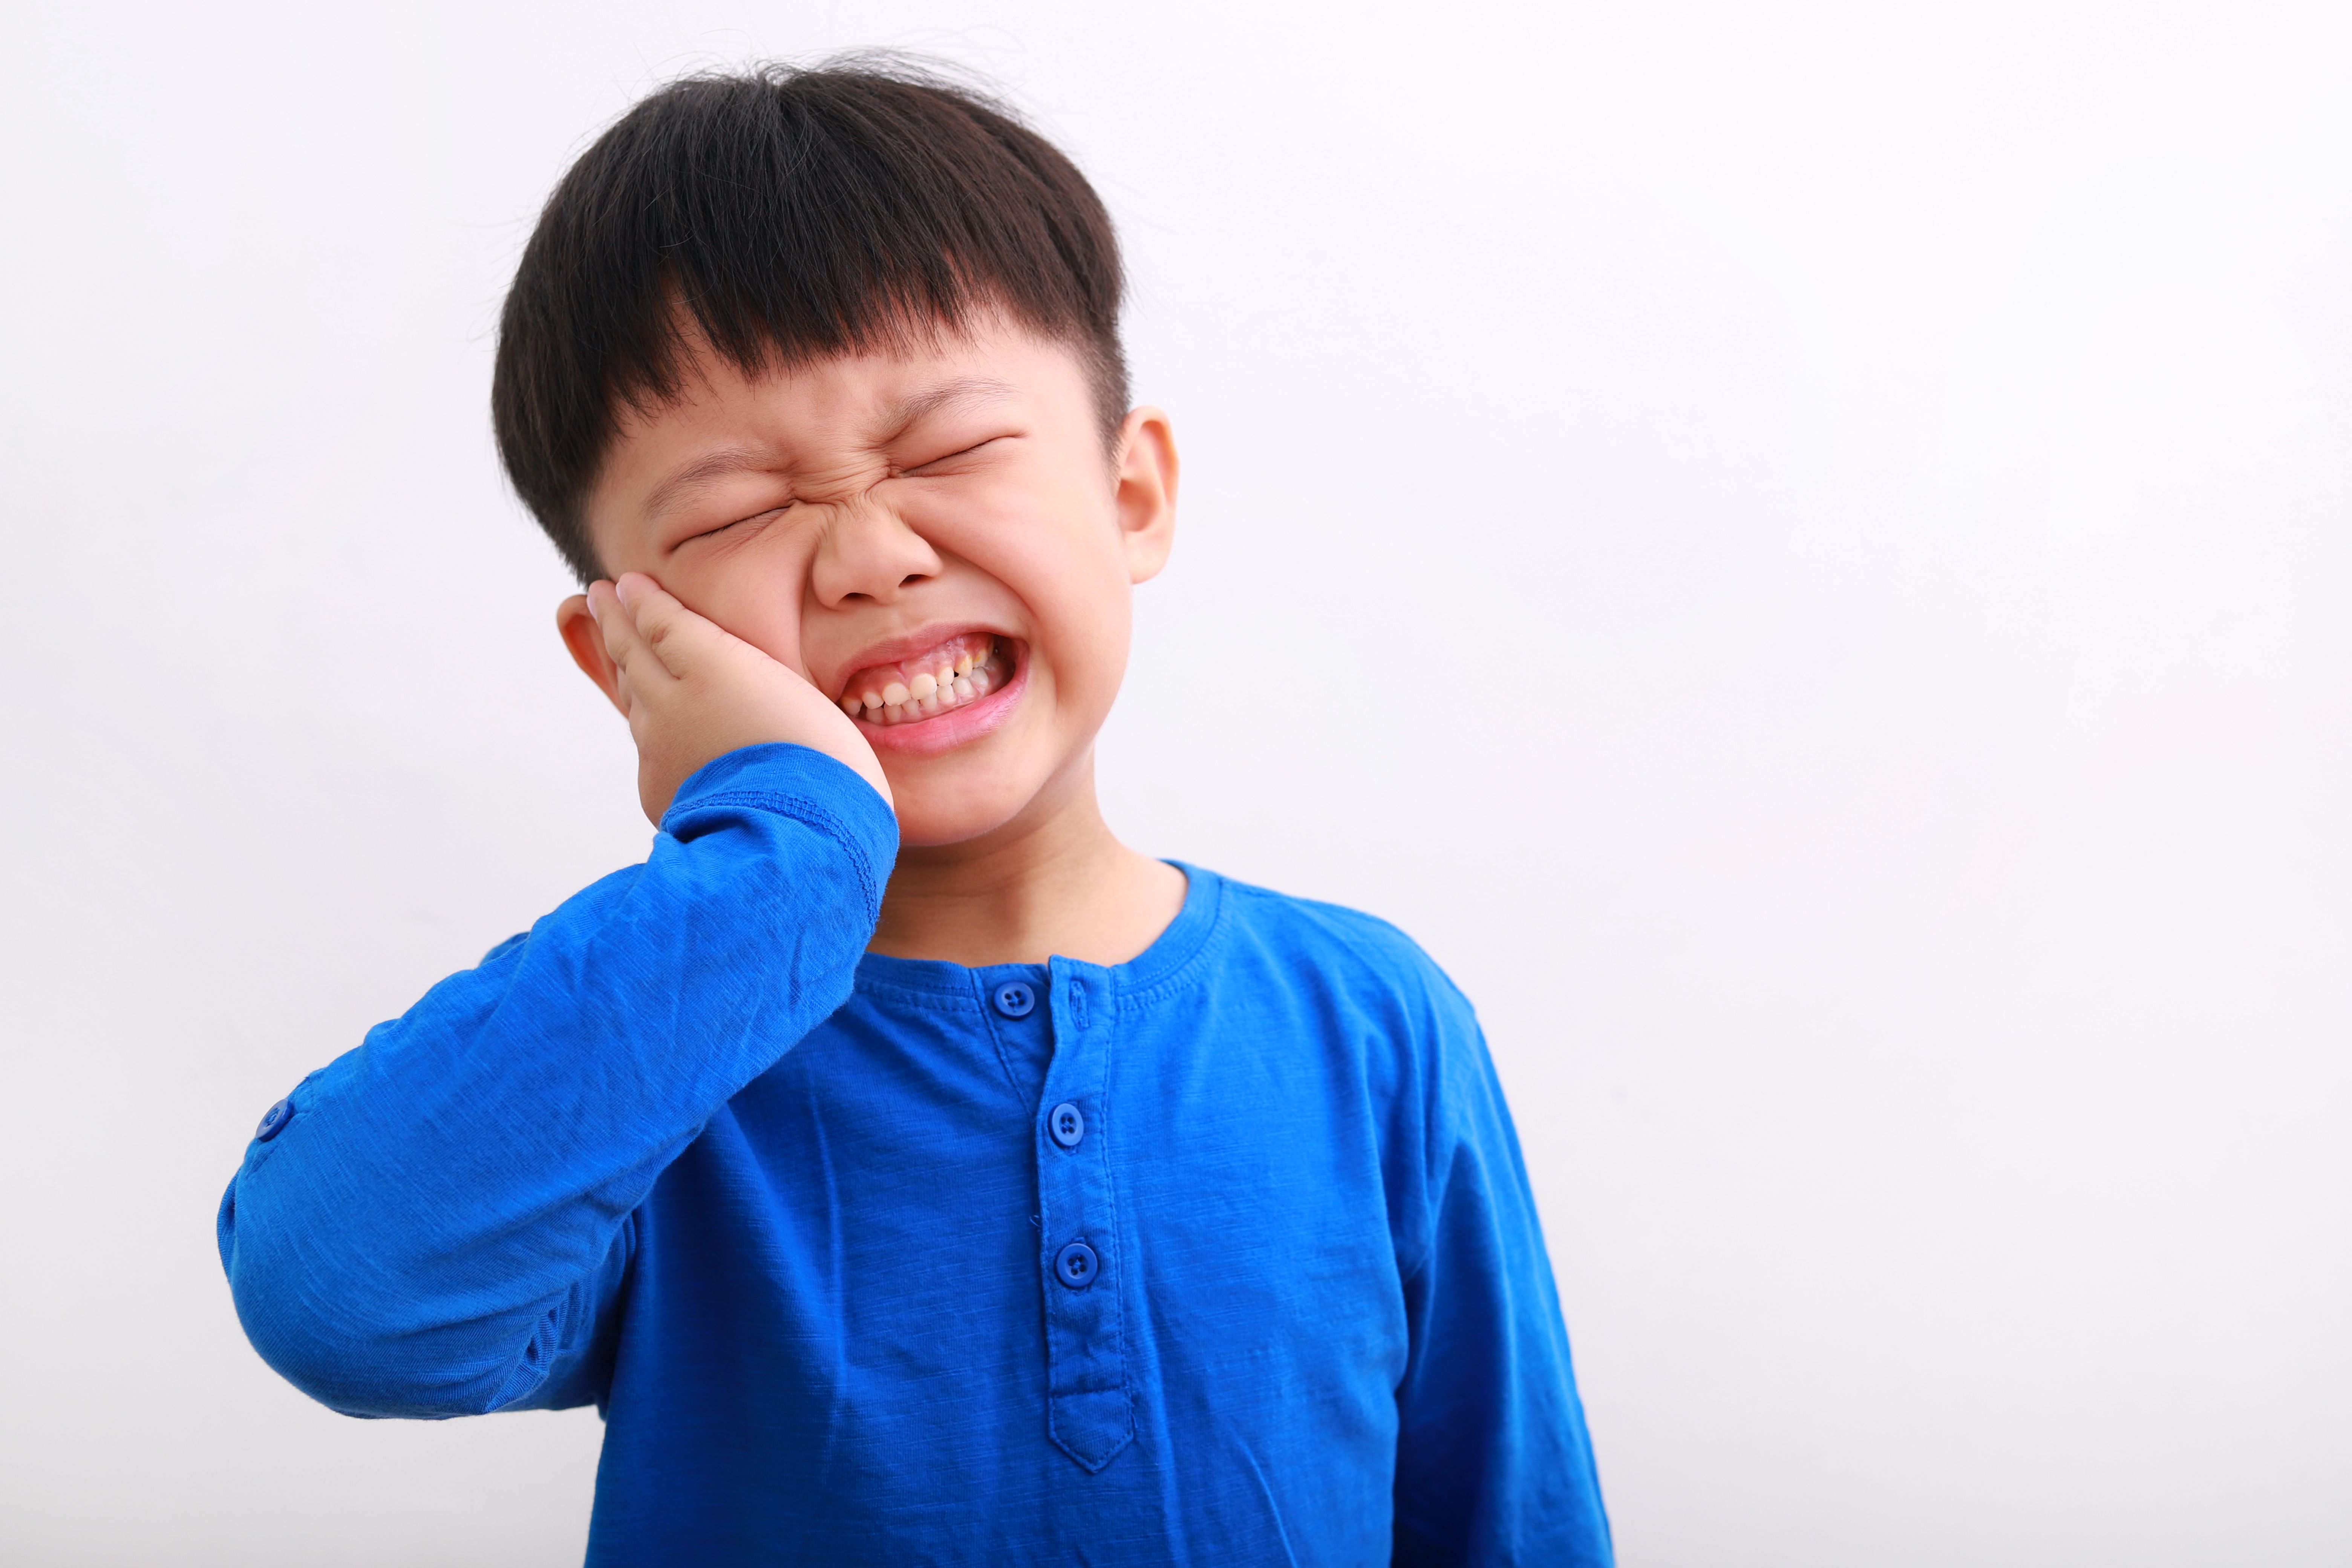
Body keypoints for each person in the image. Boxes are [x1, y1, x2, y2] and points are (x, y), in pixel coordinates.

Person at [216, 60, 1612, 1565]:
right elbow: (337, 1292)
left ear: (1132, 494)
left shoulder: (1370, 1021)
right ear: (623, 654)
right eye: (736, 513)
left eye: (948, 451)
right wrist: (784, 853)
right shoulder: (657, 1063)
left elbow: (1509, 1511)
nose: (872, 557)